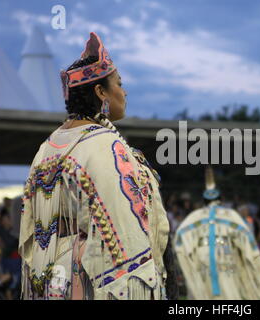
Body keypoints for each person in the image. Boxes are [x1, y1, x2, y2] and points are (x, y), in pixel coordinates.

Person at [19, 32, 177, 300]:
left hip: (49, 283)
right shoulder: (106, 147)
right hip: (93, 285)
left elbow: (31, 234)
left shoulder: (46, 148)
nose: (124, 92)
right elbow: (124, 241)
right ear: (100, 91)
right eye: (119, 83)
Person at [174, 167, 260, 300]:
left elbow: (180, 239)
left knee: (202, 294)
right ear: (221, 200)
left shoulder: (194, 217)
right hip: (226, 258)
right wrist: (251, 257)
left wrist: (187, 258)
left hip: (202, 260)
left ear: (203, 201)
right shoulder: (231, 215)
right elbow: (247, 238)